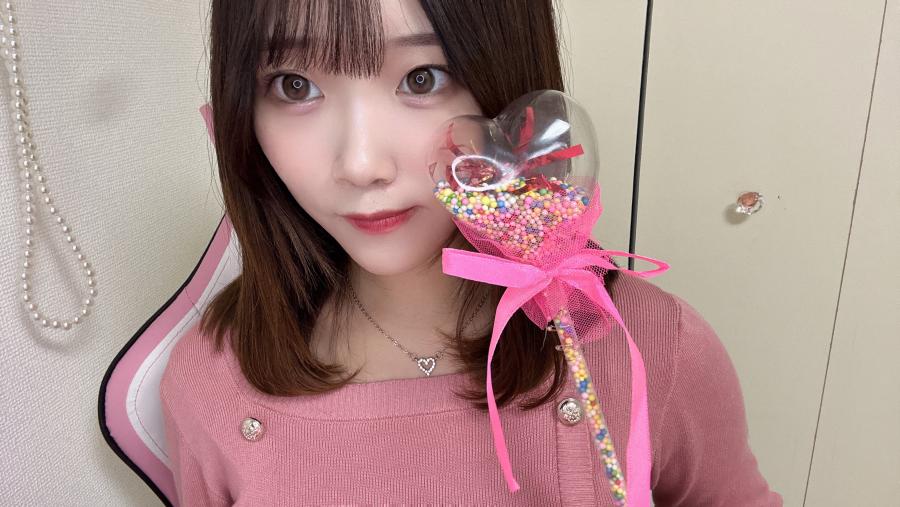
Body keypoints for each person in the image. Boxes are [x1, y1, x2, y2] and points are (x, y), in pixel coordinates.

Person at [159, 0, 783, 505]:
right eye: (294, 86)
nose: (361, 164)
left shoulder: (649, 347)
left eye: (421, 78)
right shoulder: (213, 381)